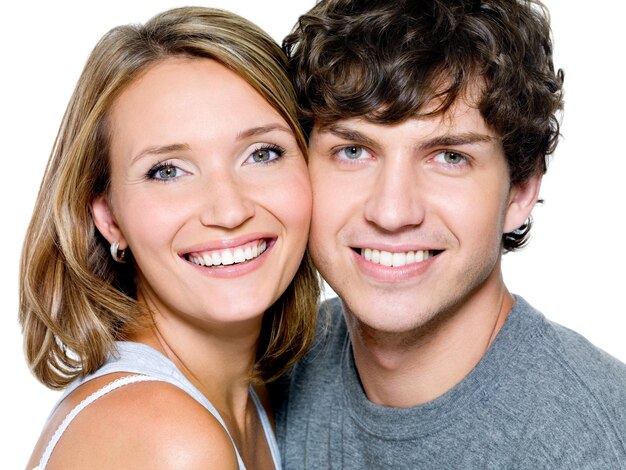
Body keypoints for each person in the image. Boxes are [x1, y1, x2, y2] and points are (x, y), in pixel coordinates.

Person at [272, 0, 626, 468]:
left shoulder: (586, 442)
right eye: (353, 151)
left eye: (450, 157)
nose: (392, 211)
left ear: (519, 192)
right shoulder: (277, 363)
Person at [20, 6, 319, 469]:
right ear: (108, 217)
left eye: (262, 153)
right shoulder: (168, 438)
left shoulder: (252, 395)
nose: (229, 209)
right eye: (167, 171)